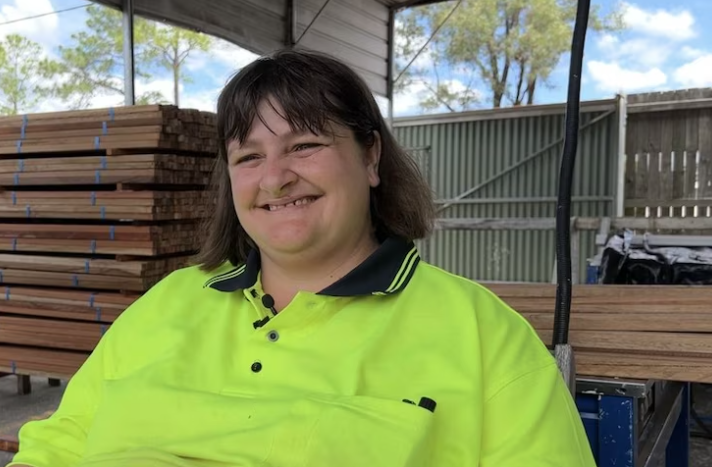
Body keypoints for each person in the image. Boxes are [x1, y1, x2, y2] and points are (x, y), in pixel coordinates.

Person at [7, 49, 596, 467]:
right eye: (248, 157)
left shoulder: (484, 337)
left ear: (371, 158)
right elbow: (58, 445)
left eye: (305, 145)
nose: (276, 178)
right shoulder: (166, 305)